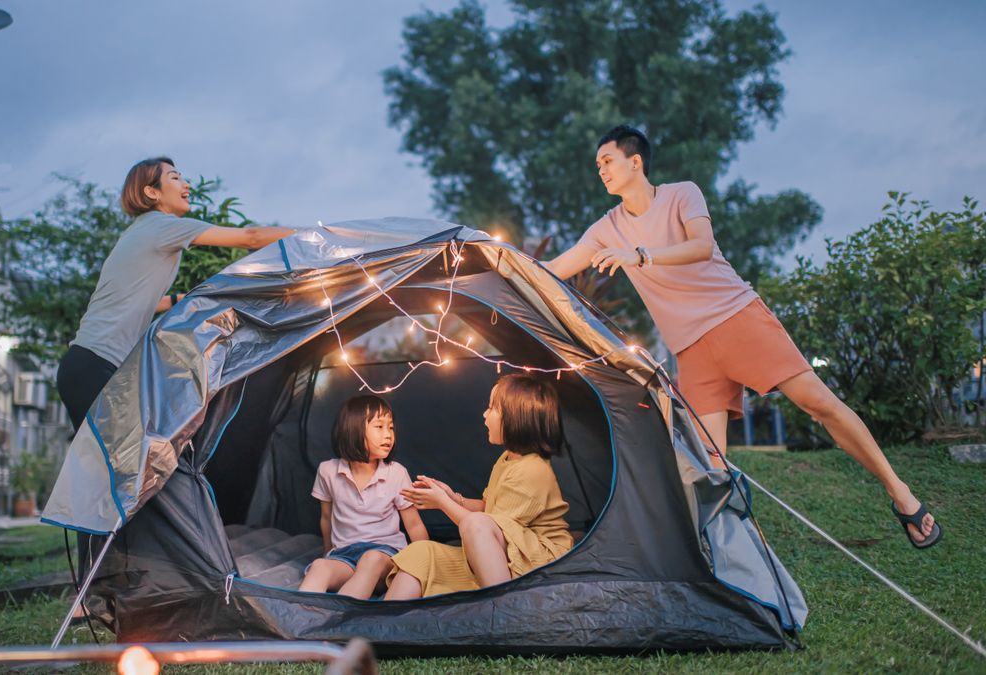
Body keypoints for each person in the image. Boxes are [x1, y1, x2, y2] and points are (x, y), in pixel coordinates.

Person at [546, 125, 941, 549]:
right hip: (692, 349)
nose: (600, 170)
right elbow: (552, 270)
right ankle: (736, 561)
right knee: (711, 462)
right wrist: (482, 258)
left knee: (819, 404)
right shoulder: (606, 228)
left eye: (607, 161)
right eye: (598, 165)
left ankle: (901, 494)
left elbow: (702, 245)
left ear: (635, 160)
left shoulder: (682, 194)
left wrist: (640, 256)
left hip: (736, 318)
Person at [56, 156, 294, 432]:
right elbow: (250, 237)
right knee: (119, 467)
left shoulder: (144, 230)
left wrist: (186, 299)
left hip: (91, 365)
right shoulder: (162, 226)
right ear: (151, 192)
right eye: (175, 177)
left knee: (114, 467)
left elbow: (146, 300)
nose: (186, 185)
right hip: (94, 365)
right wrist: (315, 234)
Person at [384, 374, 573, 600]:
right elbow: (490, 511)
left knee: (475, 524)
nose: (485, 414)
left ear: (516, 417)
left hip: (539, 559)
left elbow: (482, 527)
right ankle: (387, 627)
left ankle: (500, 609)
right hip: (505, 553)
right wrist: (453, 497)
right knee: (420, 553)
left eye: (492, 408)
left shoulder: (532, 469)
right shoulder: (507, 460)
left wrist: (442, 503)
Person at [298, 395, 429, 599]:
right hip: (345, 555)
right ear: (353, 429)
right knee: (320, 567)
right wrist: (327, 552)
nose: (388, 435)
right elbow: (326, 516)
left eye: (391, 428)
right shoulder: (328, 471)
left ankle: (342, 621)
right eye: (379, 427)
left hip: (385, 555)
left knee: (371, 559)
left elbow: (413, 524)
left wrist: (425, 562)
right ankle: (298, 622)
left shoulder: (396, 473)